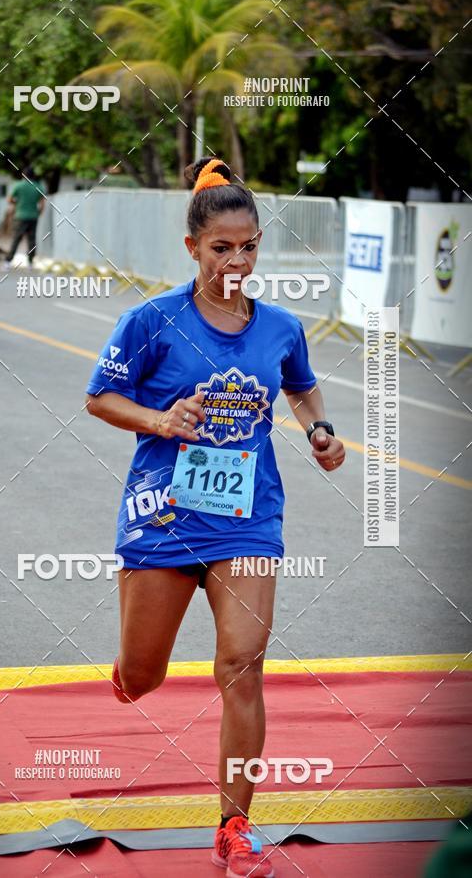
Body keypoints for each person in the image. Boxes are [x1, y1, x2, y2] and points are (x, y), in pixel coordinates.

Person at [85, 157, 345, 878]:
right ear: (193, 247)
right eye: (222, 246)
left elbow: (302, 390)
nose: (238, 259)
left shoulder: (282, 327)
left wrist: (322, 433)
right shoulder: (151, 321)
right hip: (163, 513)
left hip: (247, 517)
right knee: (144, 676)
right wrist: (161, 420)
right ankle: (129, 669)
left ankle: (234, 826)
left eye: (250, 245)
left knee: (242, 664)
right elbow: (101, 398)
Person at [1, 165, 45, 268]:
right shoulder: (38, 186)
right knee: (31, 239)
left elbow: (9, 199)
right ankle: (30, 262)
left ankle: (8, 261)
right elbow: (42, 203)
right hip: (33, 217)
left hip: (20, 216)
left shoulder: (18, 185)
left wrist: (16, 202)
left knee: (16, 239)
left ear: (24, 175)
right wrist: (39, 213)